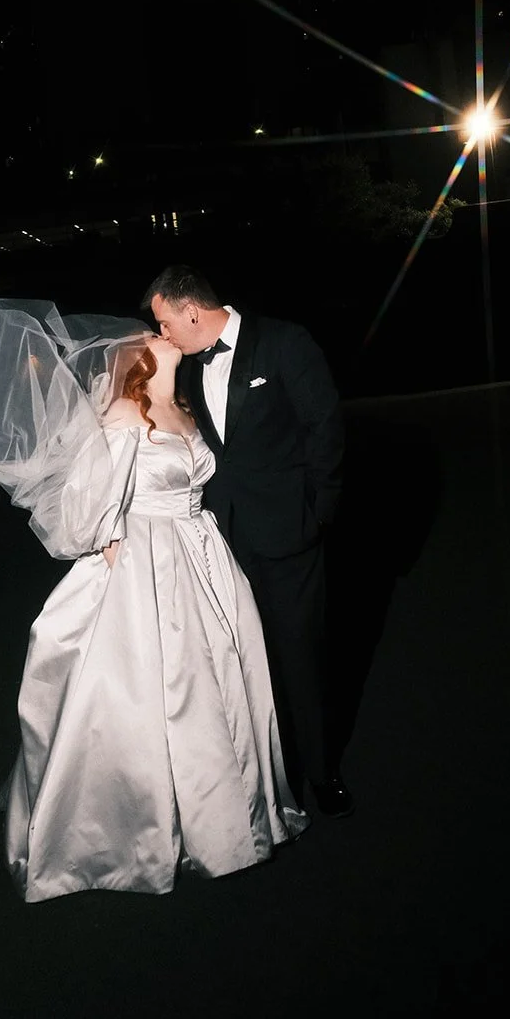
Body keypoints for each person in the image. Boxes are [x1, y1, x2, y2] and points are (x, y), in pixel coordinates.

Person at [0, 299, 308, 903]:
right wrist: (111, 537)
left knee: (224, 673)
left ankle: (231, 812)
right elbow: (84, 500)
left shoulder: (183, 408)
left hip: (204, 551)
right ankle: (143, 831)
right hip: (150, 560)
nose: (161, 334)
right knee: (162, 688)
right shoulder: (128, 412)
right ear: (139, 358)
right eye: (153, 333)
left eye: (162, 326)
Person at [142, 265, 353, 818]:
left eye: (165, 321)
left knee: (300, 658)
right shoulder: (183, 369)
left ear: (192, 311)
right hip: (219, 544)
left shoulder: (284, 341)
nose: (162, 333)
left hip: (289, 535)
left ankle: (321, 772)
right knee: (243, 665)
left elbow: (325, 428)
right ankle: (265, 777)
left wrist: (318, 515)